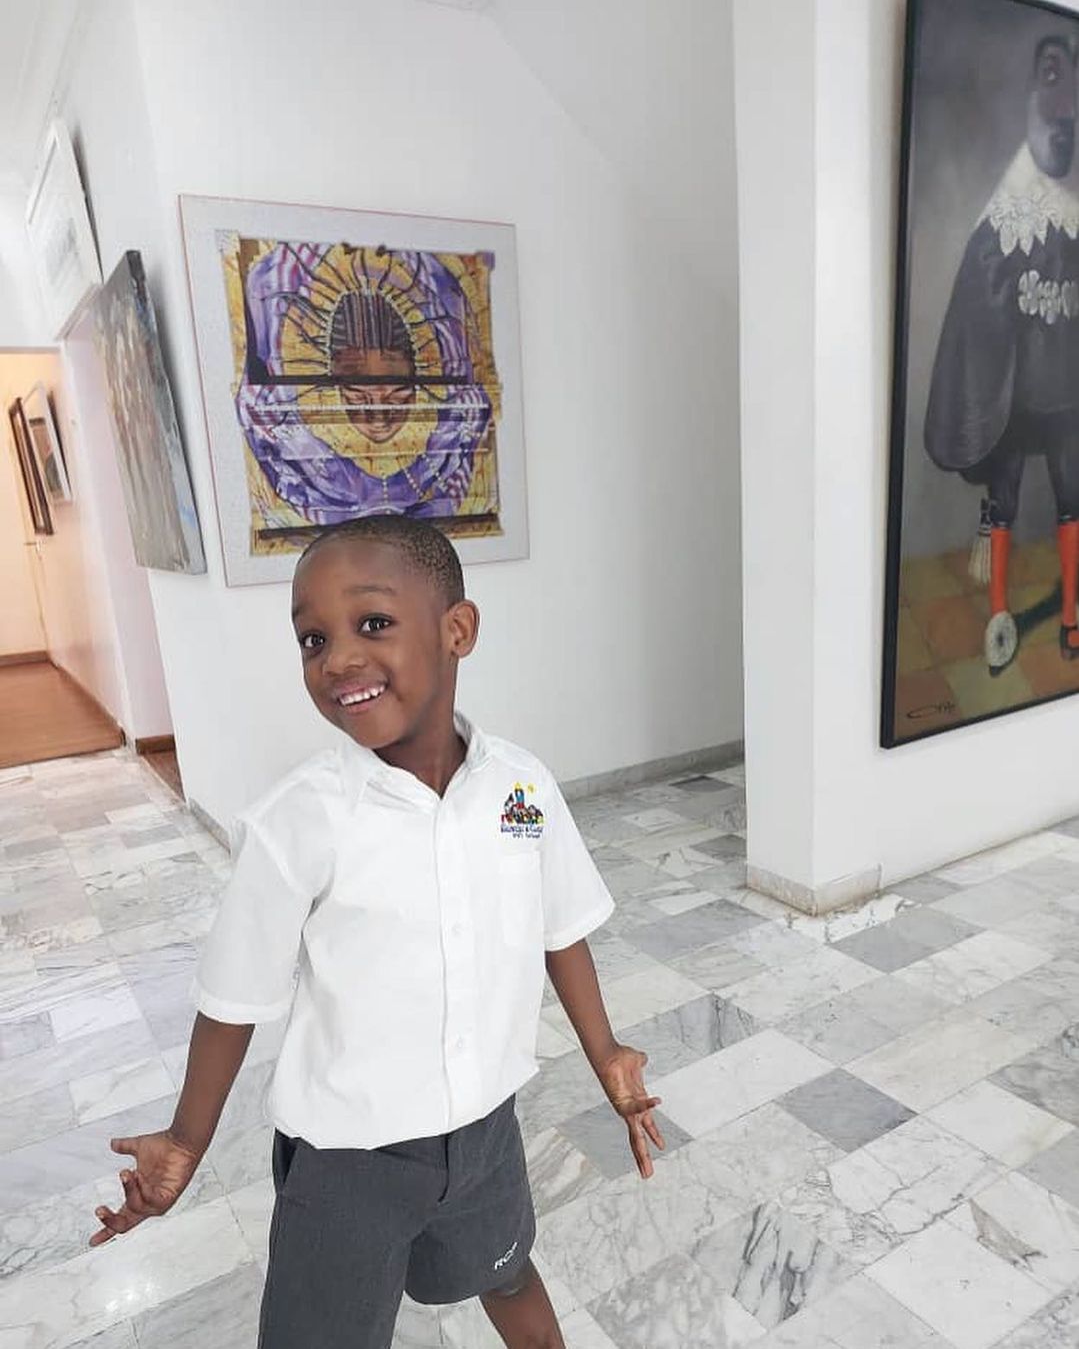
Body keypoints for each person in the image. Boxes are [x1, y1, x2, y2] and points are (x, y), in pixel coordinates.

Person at [88, 515, 664, 1349]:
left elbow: (559, 927)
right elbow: (233, 999)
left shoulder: (521, 788)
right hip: (348, 1164)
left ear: (457, 630)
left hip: (485, 1137)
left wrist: (605, 1052)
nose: (338, 659)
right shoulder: (298, 822)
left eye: (373, 623)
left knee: (506, 1273)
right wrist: (185, 1139)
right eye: (313, 639)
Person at [925, 33, 1079, 674]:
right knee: (1006, 501)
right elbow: (980, 299)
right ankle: (998, 616)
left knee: (1073, 497)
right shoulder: (1005, 214)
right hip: (1015, 394)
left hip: (1066, 393)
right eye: (1054, 76)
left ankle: (1070, 615)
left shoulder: (1074, 211)